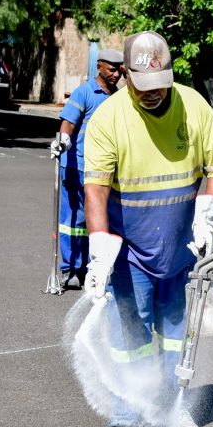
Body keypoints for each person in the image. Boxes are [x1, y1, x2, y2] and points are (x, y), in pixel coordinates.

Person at [83, 30, 213, 427]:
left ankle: (172, 407)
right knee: (131, 340)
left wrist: (207, 212)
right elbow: (96, 189)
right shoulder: (108, 119)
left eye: (160, 84)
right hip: (129, 254)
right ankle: (125, 423)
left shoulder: (194, 107)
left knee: (175, 338)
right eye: (142, 86)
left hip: (181, 250)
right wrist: (100, 247)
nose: (153, 94)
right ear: (125, 76)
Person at [49, 49, 123, 288]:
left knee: (95, 220)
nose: (116, 74)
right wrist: (63, 139)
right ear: (99, 66)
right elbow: (68, 122)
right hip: (77, 166)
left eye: (119, 69)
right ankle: (69, 268)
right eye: (112, 69)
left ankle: (88, 268)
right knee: (72, 220)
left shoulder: (118, 97)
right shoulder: (84, 92)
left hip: (103, 171)